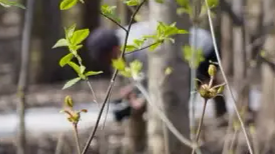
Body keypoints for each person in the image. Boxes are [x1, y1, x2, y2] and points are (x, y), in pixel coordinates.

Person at [85, 20, 226, 120]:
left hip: (202, 46)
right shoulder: (122, 36)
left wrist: (142, 99)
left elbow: (157, 77)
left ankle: (219, 115)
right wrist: (134, 89)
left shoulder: (135, 49)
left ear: (114, 50)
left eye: (108, 58)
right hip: (187, 47)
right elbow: (144, 75)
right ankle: (221, 113)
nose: (111, 63)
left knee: (198, 84)